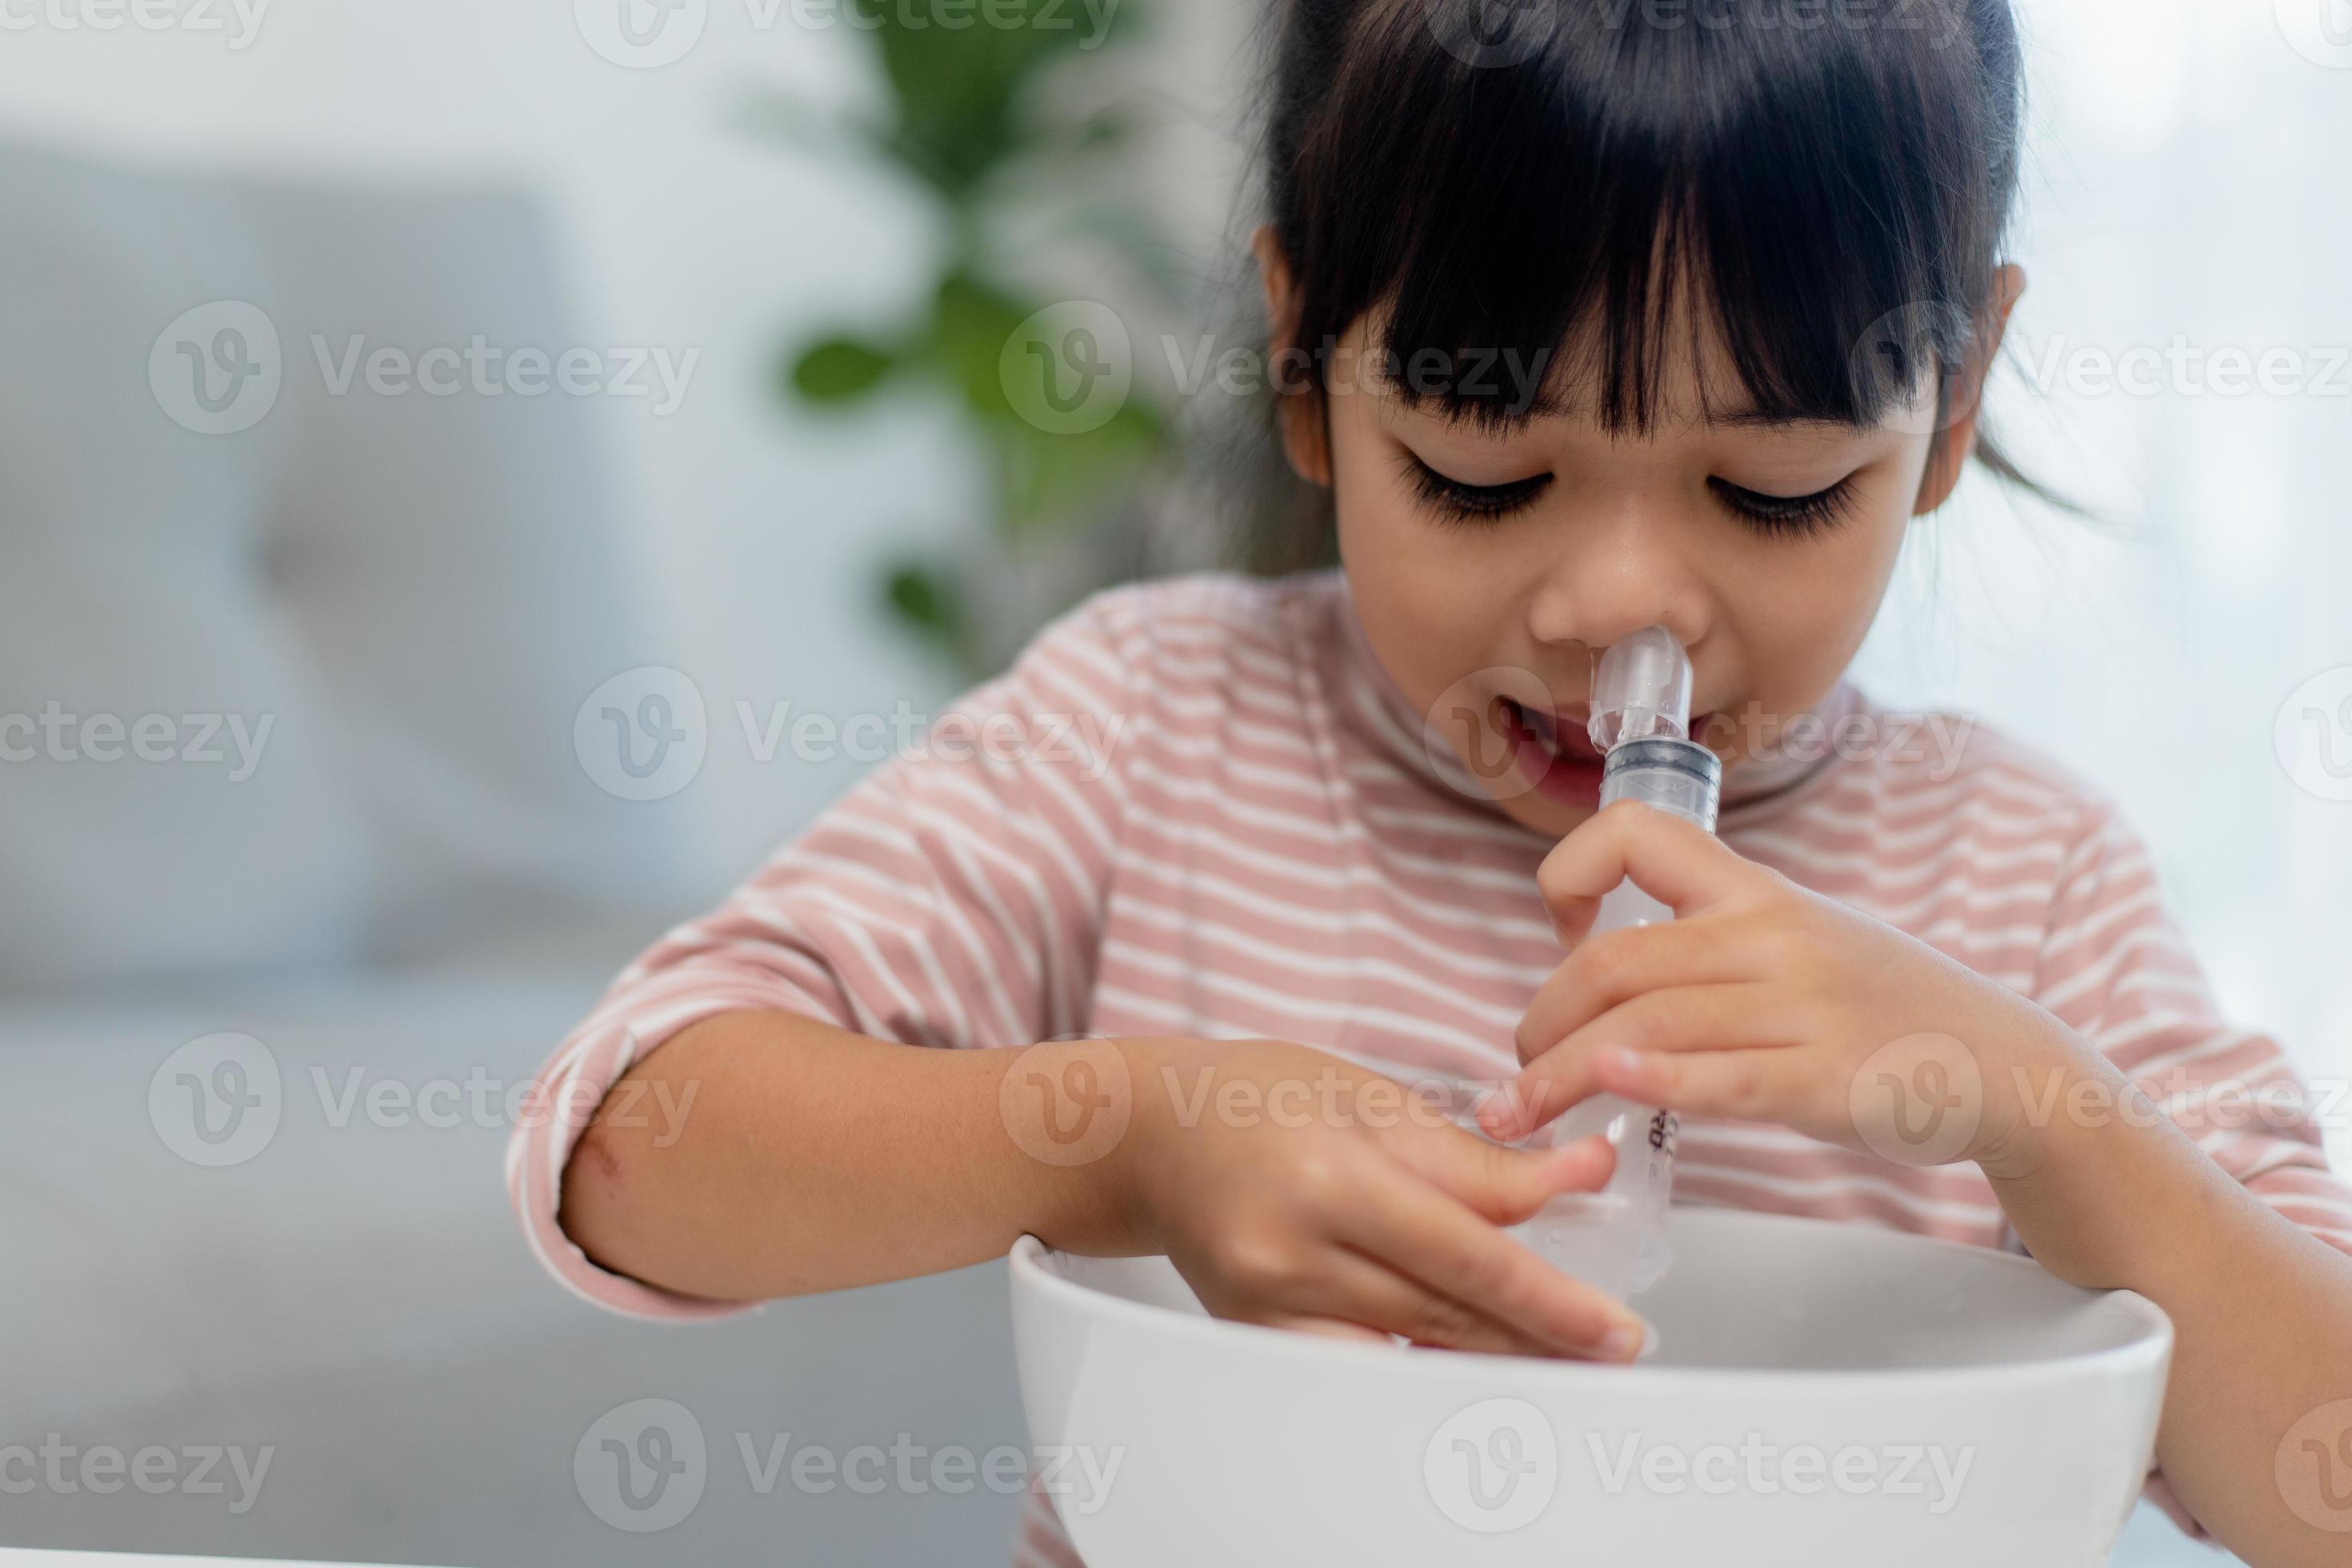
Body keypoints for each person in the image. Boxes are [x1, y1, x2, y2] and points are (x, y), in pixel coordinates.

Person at [511, 2, 2352, 1562]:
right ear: (1308, 371)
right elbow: (621, 1147)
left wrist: (2029, 1100)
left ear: (1948, 415)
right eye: (1483, 472)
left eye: (1777, 488)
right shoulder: (1150, 726)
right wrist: (1121, 1131)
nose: (1621, 605)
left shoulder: (2019, 873)